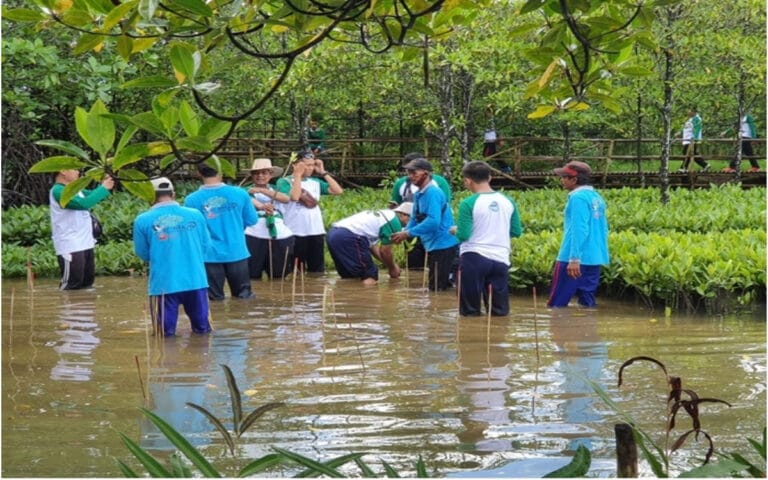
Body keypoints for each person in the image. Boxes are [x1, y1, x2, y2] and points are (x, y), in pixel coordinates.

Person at [133, 177, 212, 337]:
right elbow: (206, 246)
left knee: (164, 336)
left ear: (150, 196)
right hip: (195, 280)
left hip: (164, 284)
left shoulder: (143, 220)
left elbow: (143, 253)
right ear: (173, 194)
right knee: (203, 332)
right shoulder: (195, 215)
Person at [453, 161, 523, 316]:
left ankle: (473, 337)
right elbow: (516, 232)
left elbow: (464, 235)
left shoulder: (468, 203)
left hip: (473, 257)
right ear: (489, 178)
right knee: (499, 312)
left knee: (470, 312)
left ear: (467, 181)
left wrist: (455, 230)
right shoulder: (508, 201)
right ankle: (498, 338)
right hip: (500, 259)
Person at [184, 164, 259, 300]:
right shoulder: (240, 193)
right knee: (244, 297)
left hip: (209, 254)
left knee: (214, 299)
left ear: (198, 173)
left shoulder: (191, 200)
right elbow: (252, 220)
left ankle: (217, 321)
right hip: (237, 251)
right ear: (221, 172)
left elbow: (192, 229)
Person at [547, 161, 610, 308]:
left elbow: (579, 229)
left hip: (573, 258)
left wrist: (574, 258)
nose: (561, 180)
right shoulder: (596, 197)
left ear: (574, 180)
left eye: (564, 177)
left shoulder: (577, 198)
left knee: (557, 304)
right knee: (587, 305)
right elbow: (603, 228)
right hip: (594, 258)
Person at [390, 158, 459, 291]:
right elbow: (415, 218)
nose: (410, 177)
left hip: (443, 245)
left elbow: (433, 221)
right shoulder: (418, 194)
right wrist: (404, 233)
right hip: (433, 245)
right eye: (408, 173)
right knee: (435, 286)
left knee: (437, 288)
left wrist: (408, 233)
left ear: (426, 173)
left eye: (414, 173)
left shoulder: (433, 193)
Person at [275, 150, 343, 273]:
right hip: (295, 231)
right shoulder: (284, 181)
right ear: (295, 165)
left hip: (316, 231)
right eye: (306, 165)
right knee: (296, 271)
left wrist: (323, 172)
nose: (310, 168)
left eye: (312, 165)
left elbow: (338, 191)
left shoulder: (315, 182)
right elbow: (295, 197)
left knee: (317, 271)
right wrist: (297, 175)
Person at [49, 169, 114, 290]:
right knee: (72, 283)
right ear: (63, 171)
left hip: (86, 242)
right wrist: (103, 188)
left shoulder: (75, 190)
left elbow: (92, 195)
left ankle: (85, 308)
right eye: (74, 169)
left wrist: (104, 184)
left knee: (87, 282)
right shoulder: (58, 191)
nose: (78, 172)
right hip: (70, 244)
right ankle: (67, 307)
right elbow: (83, 204)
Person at [327, 202, 412, 285]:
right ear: (403, 214)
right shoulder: (394, 222)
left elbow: (372, 247)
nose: (412, 223)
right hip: (350, 236)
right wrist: (392, 268)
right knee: (370, 274)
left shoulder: (384, 215)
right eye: (412, 219)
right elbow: (385, 251)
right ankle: (368, 298)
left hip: (334, 234)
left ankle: (349, 297)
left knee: (351, 276)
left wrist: (390, 265)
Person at [243, 158, 295, 280]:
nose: (260, 176)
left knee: (279, 275)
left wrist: (262, 190)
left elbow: (286, 199)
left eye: (264, 173)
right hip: (254, 234)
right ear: (251, 175)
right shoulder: (245, 190)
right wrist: (262, 206)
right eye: (256, 173)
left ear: (270, 174)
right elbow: (250, 200)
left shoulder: (277, 188)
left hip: (280, 235)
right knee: (253, 275)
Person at [678, 107, 709, 172]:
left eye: (689, 111)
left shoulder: (697, 119)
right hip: (687, 139)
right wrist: (680, 133)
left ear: (693, 111)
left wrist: (694, 139)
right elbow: (687, 128)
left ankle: (683, 168)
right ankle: (705, 165)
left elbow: (697, 130)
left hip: (691, 140)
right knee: (692, 154)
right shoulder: (690, 119)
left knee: (687, 153)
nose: (687, 112)